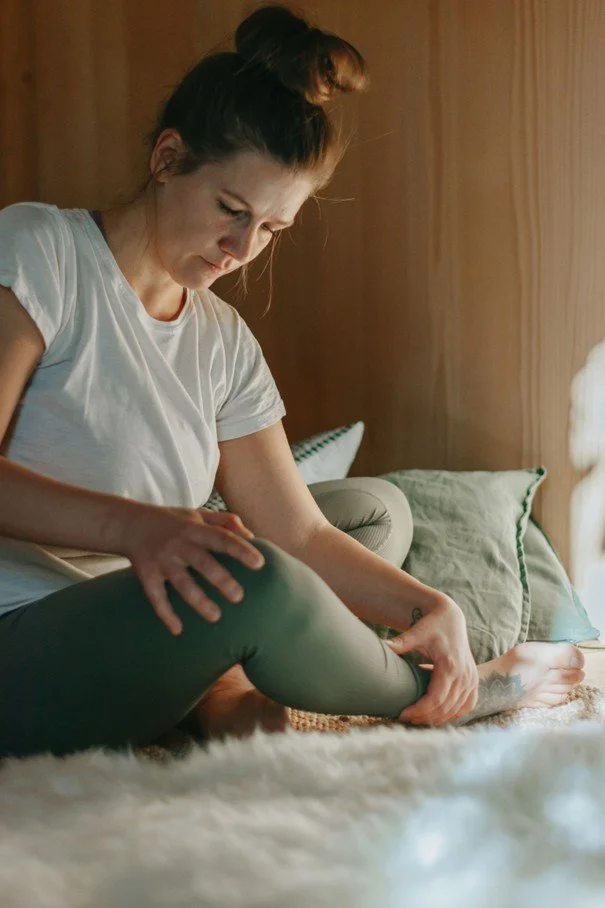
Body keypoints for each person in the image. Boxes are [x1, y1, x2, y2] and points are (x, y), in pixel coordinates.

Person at [0, 4, 584, 759]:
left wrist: (428, 604)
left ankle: (221, 689)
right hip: (24, 635)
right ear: (167, 158)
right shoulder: (38, 250)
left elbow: (299, 528)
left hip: (153, 620)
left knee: (371, 513)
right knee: (263, 581)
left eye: (271, 229)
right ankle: (445, 696)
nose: (241, 249)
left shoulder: (220, 337)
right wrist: (141, 528)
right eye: (230, 211)